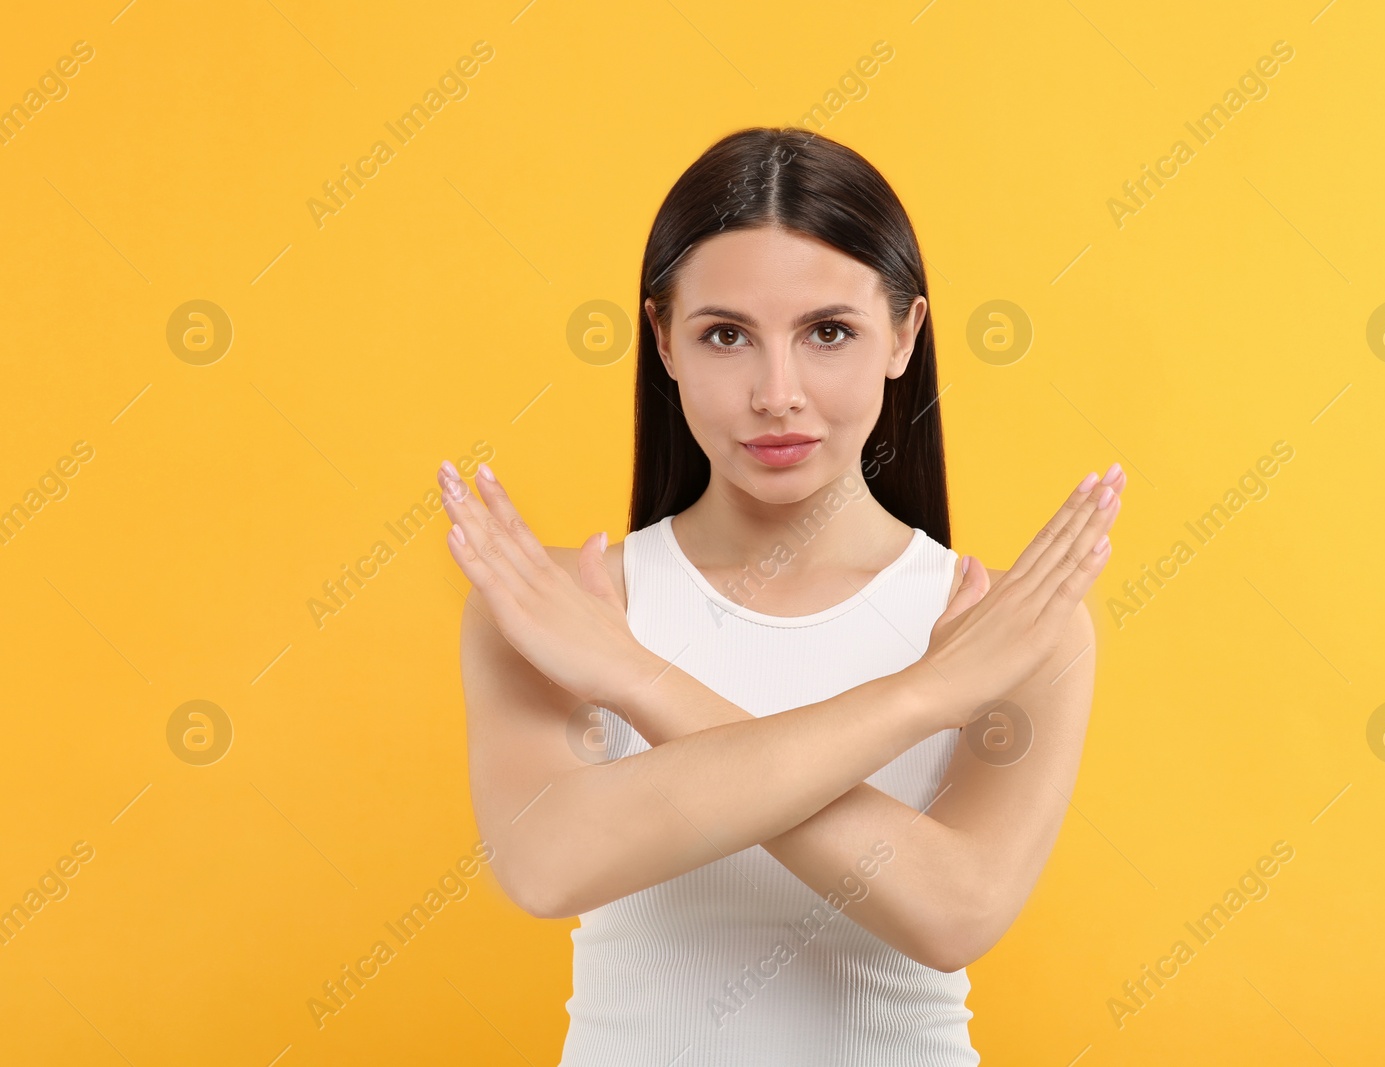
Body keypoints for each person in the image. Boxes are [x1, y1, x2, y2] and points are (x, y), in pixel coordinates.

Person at [439, 126, 1125, 1065]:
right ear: (663, 341)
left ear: (905, 336)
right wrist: (921, 697)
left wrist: (638, 679)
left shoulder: (1010, 627)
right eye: (725, 334)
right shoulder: (556, 604)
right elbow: (549, 863)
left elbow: (953, 909)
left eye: (828, 332)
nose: (777, 393)